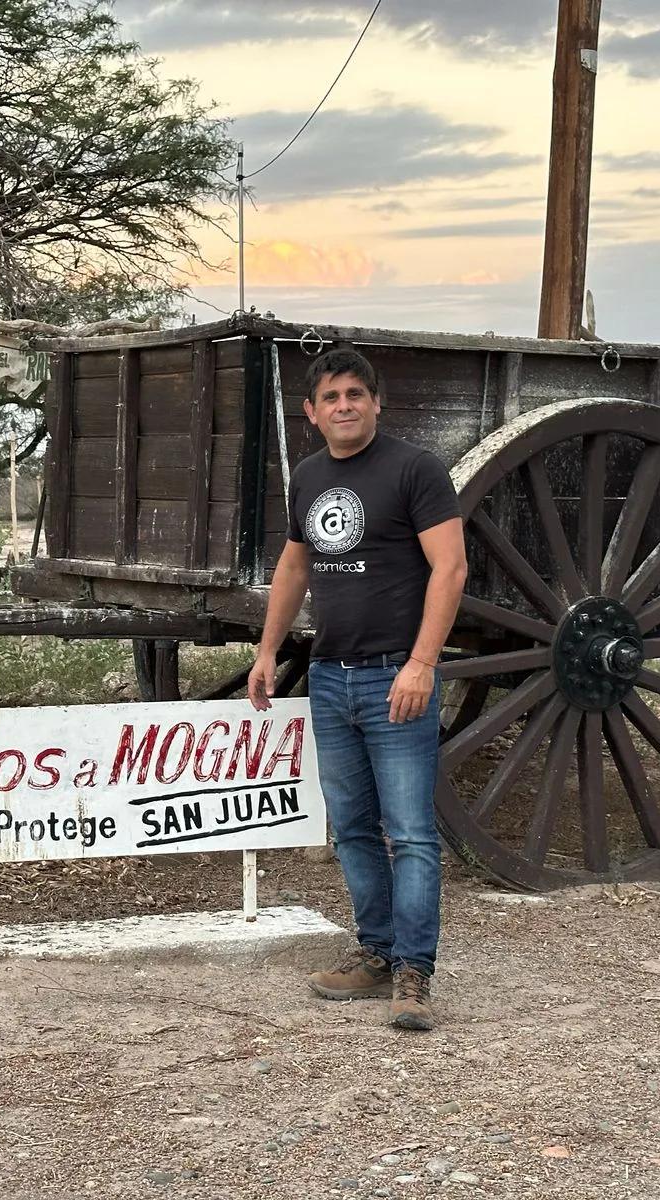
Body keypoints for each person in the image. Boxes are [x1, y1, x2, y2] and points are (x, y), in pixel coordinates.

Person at [248, 346, 466, 1031]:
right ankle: (375, 952)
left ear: (376, 402)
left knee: (411, 832)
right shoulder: (310, 476)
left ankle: (414, 973)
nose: (344, 406)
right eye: (331, 398)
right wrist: (267, 649)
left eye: (355, 395)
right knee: (351, 830)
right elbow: (293, 566)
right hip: (332, 678)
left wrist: (422, 663)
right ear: (312, 414)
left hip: (394, 677)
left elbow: (450, 568)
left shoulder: (415, 470)